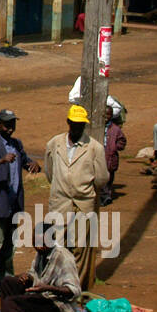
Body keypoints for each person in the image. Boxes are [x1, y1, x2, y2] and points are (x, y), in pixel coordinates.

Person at [0, 109, 41, 297]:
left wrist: (33, 165)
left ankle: (6, 280)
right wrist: (0, 161)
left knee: (9, 246)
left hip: (13, 205)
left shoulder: (17, 144)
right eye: (7, 124)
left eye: (13, 124)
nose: (10, 128)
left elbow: (25, 161)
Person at [43, 105, 108, 291]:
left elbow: (102, 178)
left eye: (81, 125)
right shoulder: (54, 144)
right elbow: (50, 172)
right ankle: (57, 284)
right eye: (75, 124)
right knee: (58, 246)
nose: (77, 128)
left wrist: (84, 191)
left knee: (80, 248)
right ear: (68, 123)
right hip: (59, 203)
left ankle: (74, 289)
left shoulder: (94, 148)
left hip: (83, 204)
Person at [102, 105, 127, 207]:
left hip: (110, 157)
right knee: (100, 177)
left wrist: (115, 147)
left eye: (109, 115)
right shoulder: (96, 127)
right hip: (100, 156)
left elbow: (122, 140)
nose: (106, 117)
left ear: (111, 116)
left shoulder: (115, 129)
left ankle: (107, 196)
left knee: (109, 178)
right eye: (105, 114)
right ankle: (103, 196)